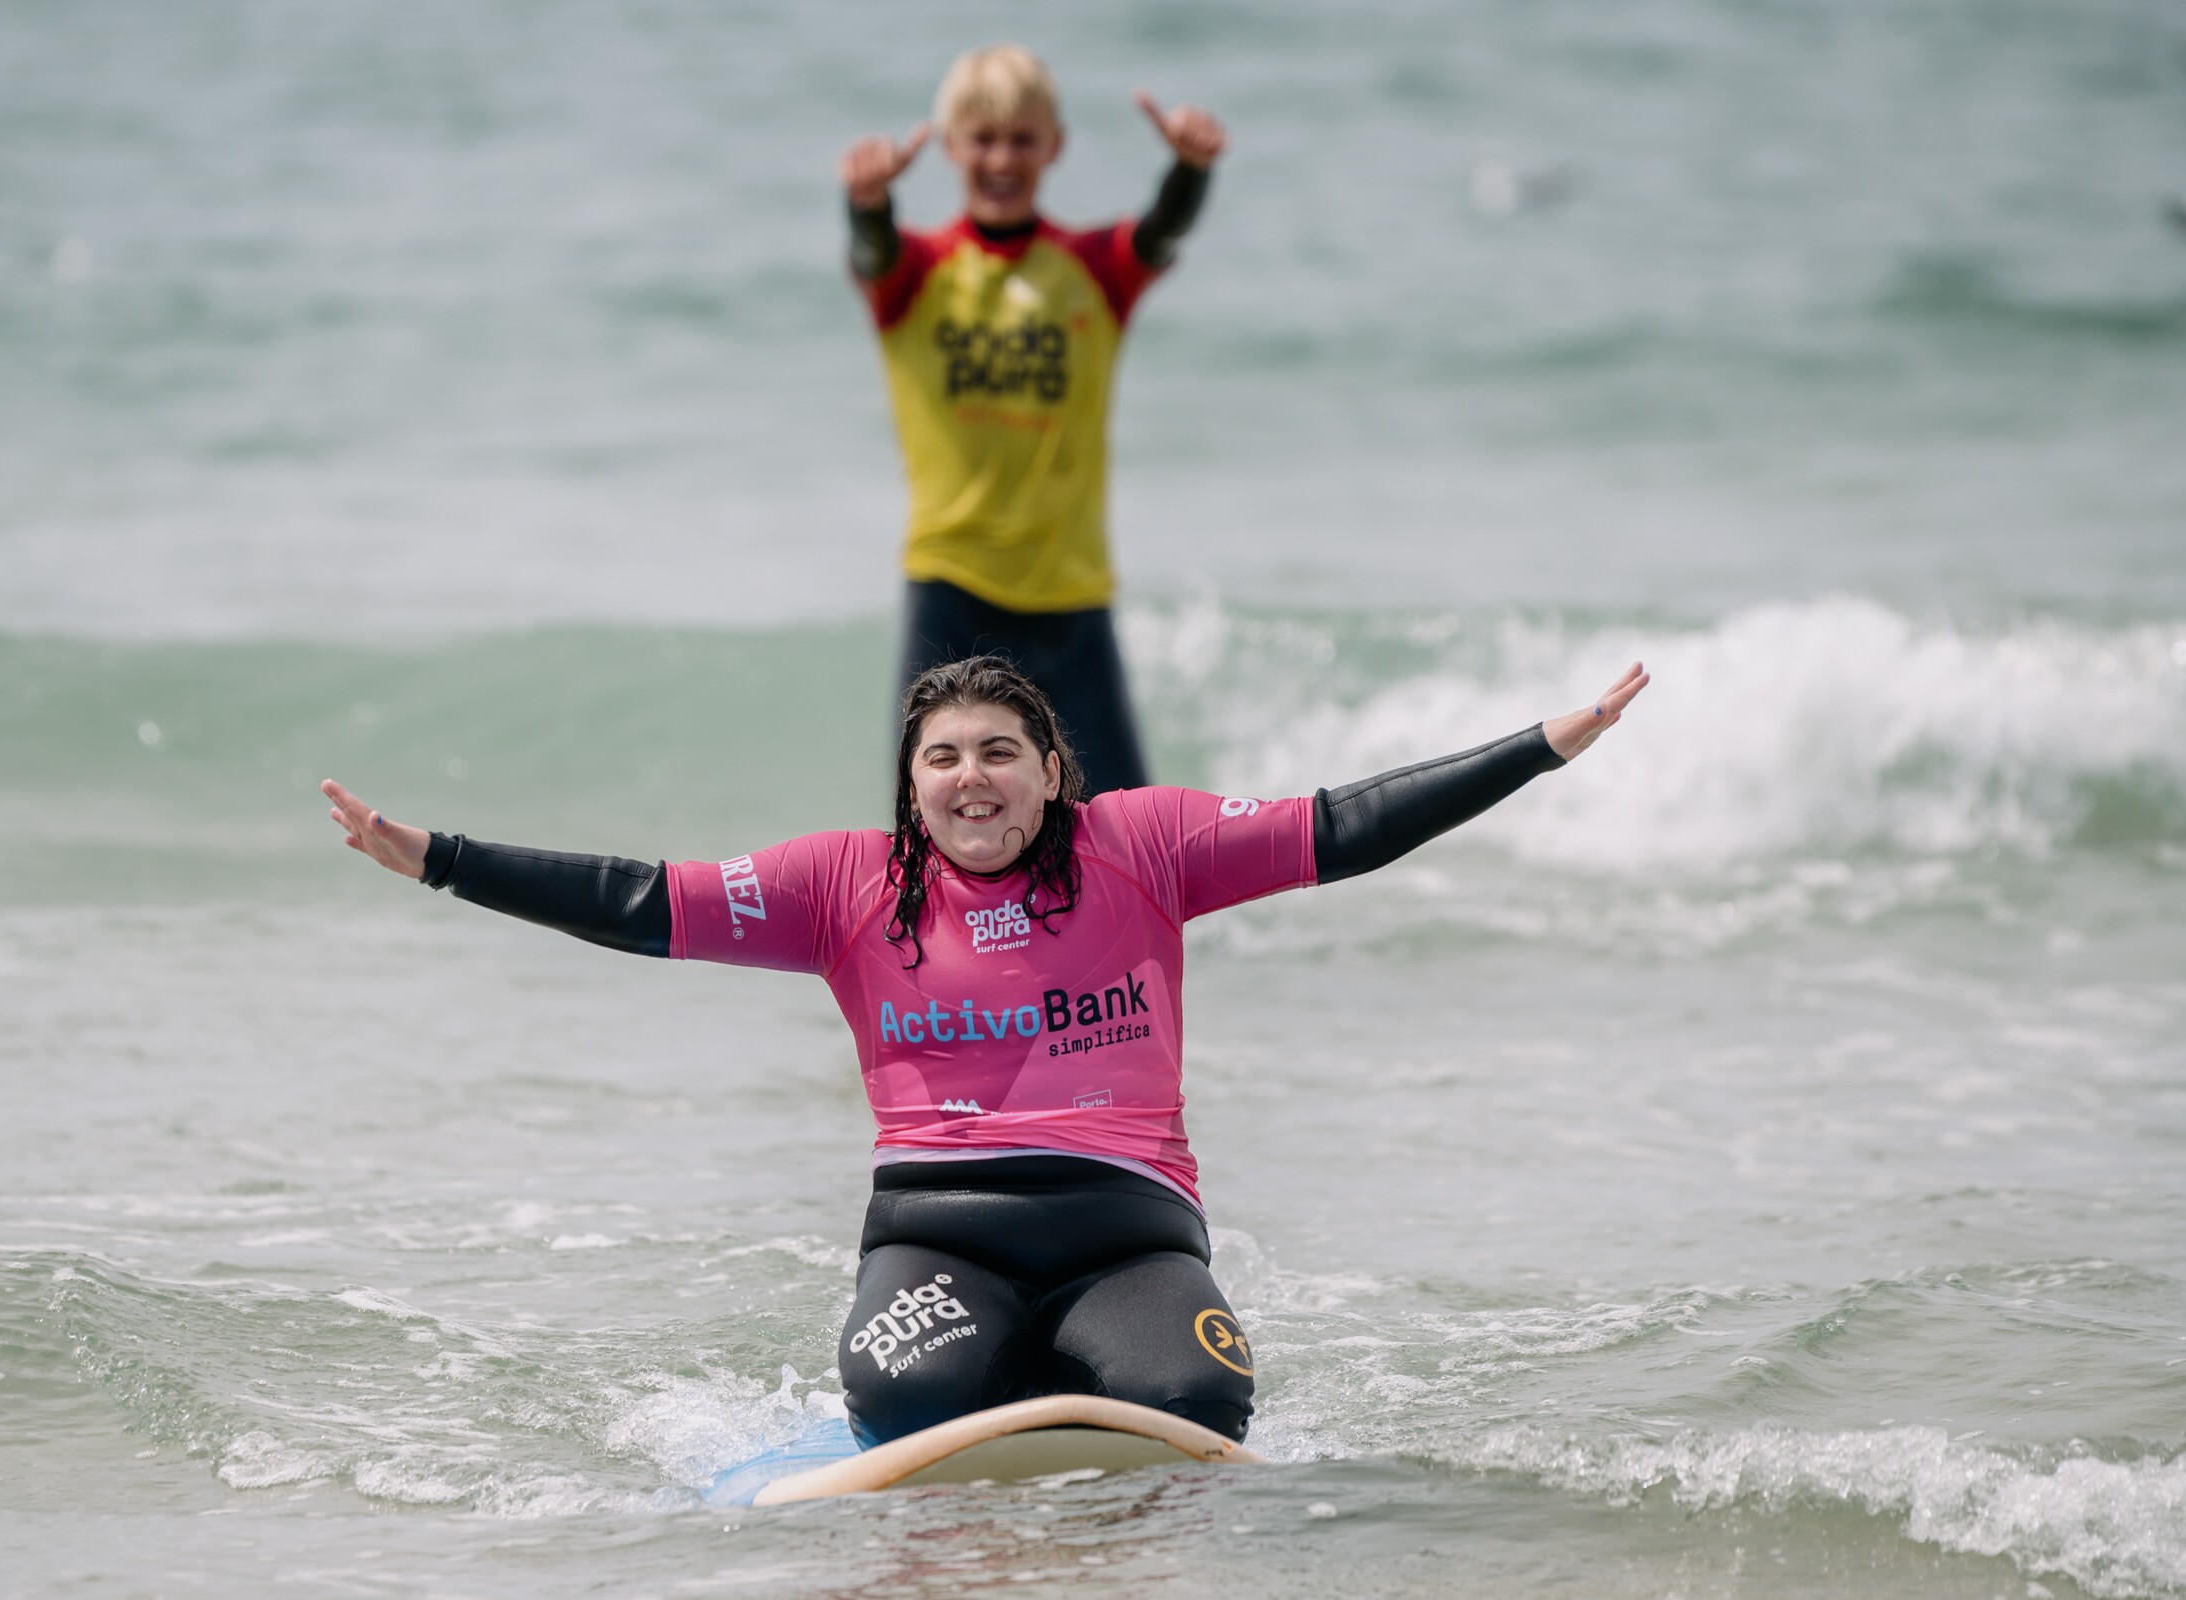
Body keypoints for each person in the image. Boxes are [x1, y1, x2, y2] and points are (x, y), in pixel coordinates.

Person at [322, 656, 1648, 1446]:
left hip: (1128, 1238)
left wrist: (1538, 750)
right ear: (910, 787)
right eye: (944, 757)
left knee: (1194, 1398)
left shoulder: (1145, 845)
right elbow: (636, 900)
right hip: (937, 1236)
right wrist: (439, 859)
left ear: (1050, 771)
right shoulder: (838, 885)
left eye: (1001, 752)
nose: (973, 776)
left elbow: (1340, 824)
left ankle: (1092, 1429)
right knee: (906, 1400)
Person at [838, 45, 1228, 797]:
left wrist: (1190, 170)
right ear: (951, 148)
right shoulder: (916, 273)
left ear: (1055, 147)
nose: (1002, 158)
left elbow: (1160, 232)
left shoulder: (1094, 268)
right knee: (933, 828)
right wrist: (867, 202)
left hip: (1069, 600)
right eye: (982, 138)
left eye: (1022, 139)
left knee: (1119, 829)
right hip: (951, 584)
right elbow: (870, 249)